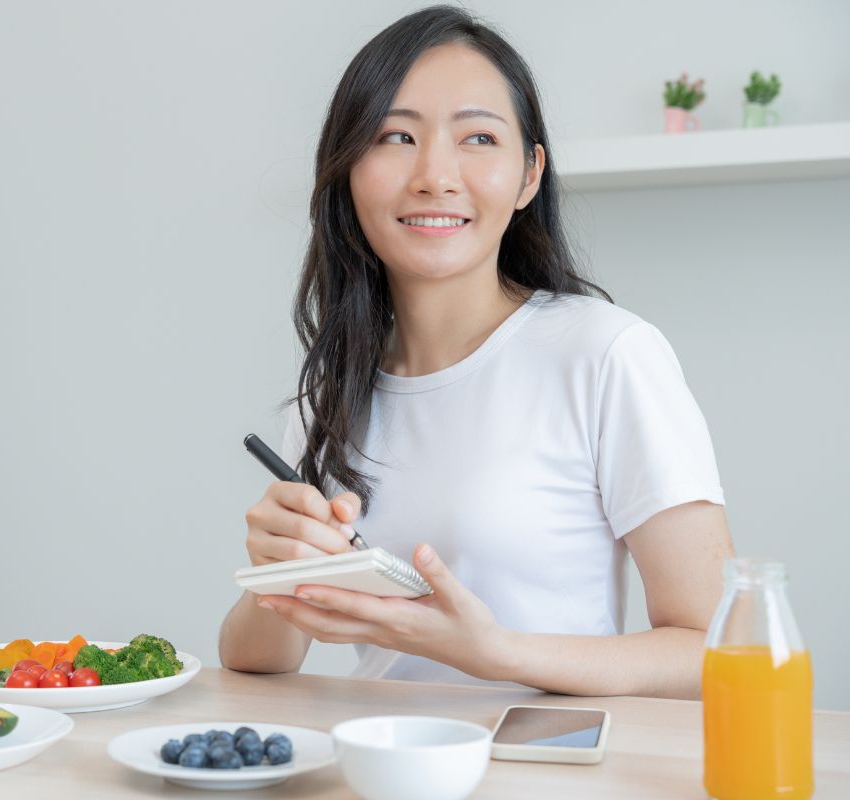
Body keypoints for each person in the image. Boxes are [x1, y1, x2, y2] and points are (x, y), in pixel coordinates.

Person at [218, 5, 733, 699]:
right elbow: (259, 660)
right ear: (347, 172)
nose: (435, 174)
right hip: (382, 763)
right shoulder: (330, 395)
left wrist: (498, 653)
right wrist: (279, 569)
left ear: (528, 175)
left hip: (548, 767)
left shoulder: (606, 354)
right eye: (395, 136)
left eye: (479, 138)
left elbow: (719, 649)